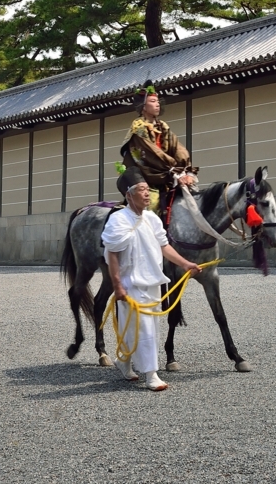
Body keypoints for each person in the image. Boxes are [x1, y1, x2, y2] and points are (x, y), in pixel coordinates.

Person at [101, 167, 201, 391]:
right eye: (142, 190)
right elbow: (113, 255)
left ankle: (124, 361)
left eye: (148, 189)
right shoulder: (118, 220)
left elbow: (164, 246)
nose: (147, 194)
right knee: (144, 328)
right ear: (129, 195)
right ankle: (151, 374)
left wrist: (185, 264)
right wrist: (117, 285)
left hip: (152, 281)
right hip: (130, 283)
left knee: (140, 327)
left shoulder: (152, 219)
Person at [120, 79, 196, 216]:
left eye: (157, 101)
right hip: (147, 175)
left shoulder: (163, 126)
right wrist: (173, 171)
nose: (157, 104)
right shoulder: (138, 128)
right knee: (151, 204)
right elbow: (152, 153)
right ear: (143, 107)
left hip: (168, 174)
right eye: (153, 102)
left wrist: (186, 171)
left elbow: (177, 148)